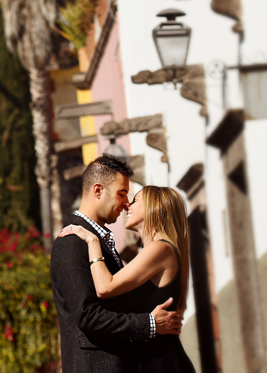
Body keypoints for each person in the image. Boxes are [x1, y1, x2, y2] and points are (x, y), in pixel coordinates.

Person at [50, 157, 183, 373]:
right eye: (121, 193)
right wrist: (149, 324)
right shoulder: (72, 241)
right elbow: (88, 316)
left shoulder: (96, 240)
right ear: (98, 190)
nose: (126, 202)